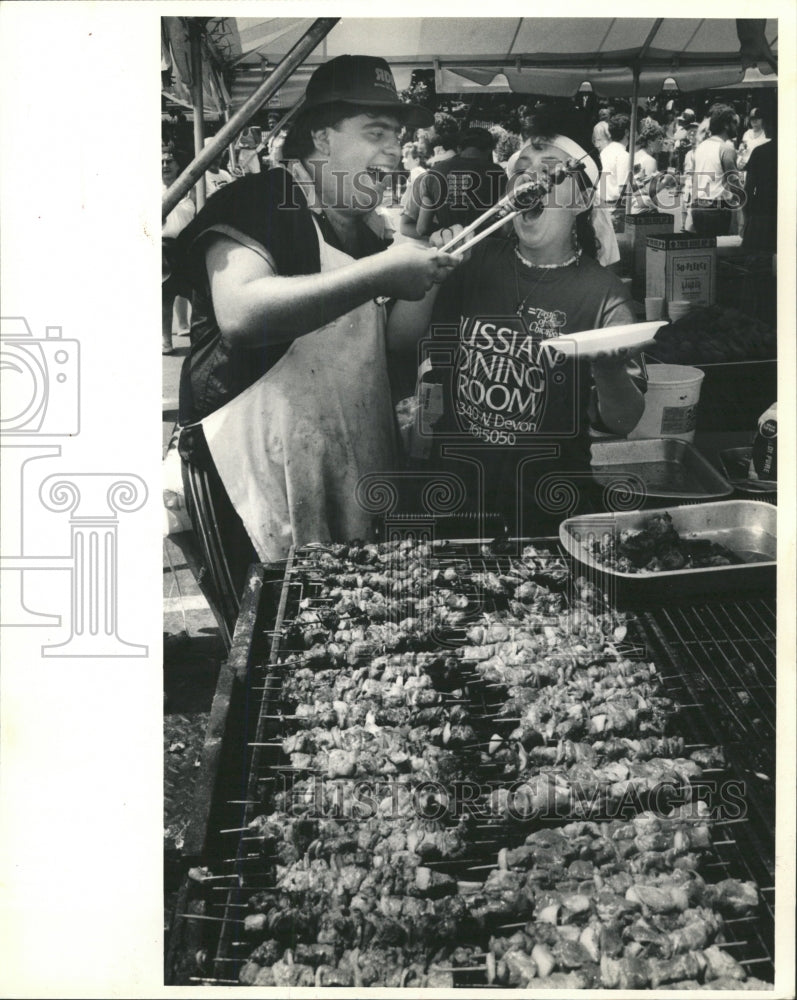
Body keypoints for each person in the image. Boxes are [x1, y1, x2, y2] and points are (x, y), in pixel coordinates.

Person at [174, 55, 459, 631]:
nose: (392, 153)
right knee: (273, 641)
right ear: (321, 137)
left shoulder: (372, 230)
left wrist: (426, 267)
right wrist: (380, 274)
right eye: (374, 133)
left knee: (345, 642)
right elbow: (241, 313)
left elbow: (396, 345)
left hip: (346, 469)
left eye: (397, 137)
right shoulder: (258, 200)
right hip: (254, 477)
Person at [387, 129, 645, 537]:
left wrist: (610, 371)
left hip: (548, 502)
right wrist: (433, 272)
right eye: (520, 170)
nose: (531, 178)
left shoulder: (604, 294)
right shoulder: (475, 259)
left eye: (549, 171)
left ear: (580, 200)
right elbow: (400, 341)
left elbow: (625, 419)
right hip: (457, 491)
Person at [415, 127, 508, 237]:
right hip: (485, 246)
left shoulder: (435, 173)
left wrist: (447, 231)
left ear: (459, 148)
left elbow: (422, 228)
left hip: (448, 246)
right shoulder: (497, 173)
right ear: (489, 150)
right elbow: (504, 227)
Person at [162, 145, 195, 354]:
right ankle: (166, 340)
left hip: (187, 248)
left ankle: (197, 339)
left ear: (178, 165)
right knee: (165, 298)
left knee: (194, 295)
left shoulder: (190, 189)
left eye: (169, 162)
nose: (165, 166)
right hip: (163, 248)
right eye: (161, 163)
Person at [691, 103, 742, 237]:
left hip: (698, 207)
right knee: (718, 252)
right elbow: (734, 183)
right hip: (716, 209)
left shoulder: (701, 147)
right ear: (726, 125)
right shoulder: (726, 149)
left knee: (705, 251)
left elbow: (695, 178)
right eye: (734, 122)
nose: (737, 126)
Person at [398, 141, 429, 243]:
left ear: (416, 160)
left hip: (414, 217)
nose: (403, 161)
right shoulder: (420, 171)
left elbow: (417, 195)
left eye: (407, 157)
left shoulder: (416, 172)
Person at [598, 113, 631, 208]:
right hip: (615, 206)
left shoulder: (605, 151)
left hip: (601, 202)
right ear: (627, 132)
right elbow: (622, 188)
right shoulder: (623, 155)